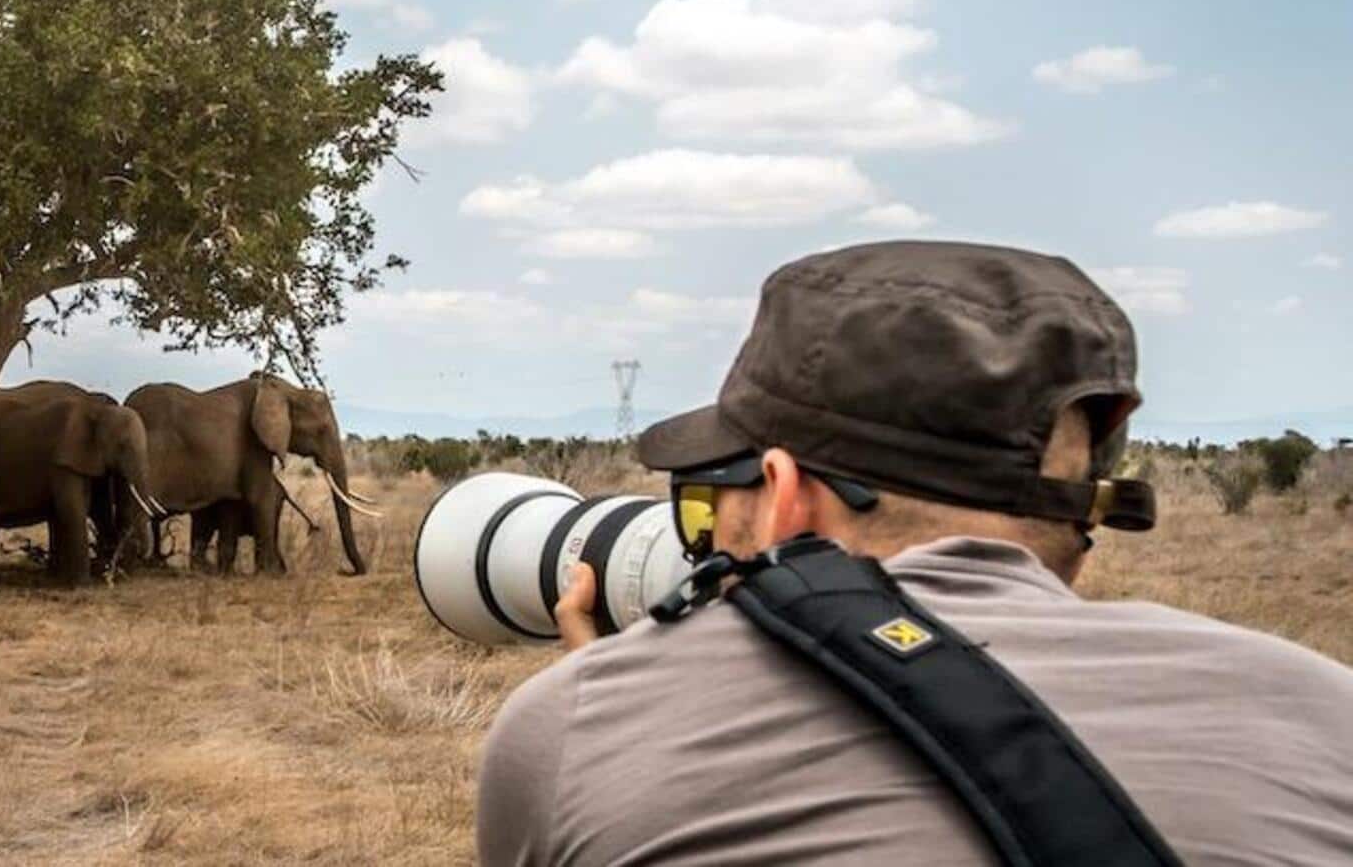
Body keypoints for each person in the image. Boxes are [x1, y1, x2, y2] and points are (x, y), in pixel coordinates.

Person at [477, 241, 1353, 865]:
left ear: (785, 498)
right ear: (1077, 530)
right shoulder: (1326, 714)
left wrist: (610, 704)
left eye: (709, 500)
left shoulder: (575, 731)